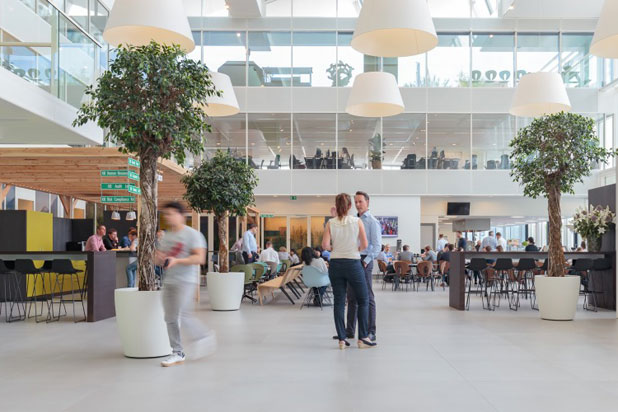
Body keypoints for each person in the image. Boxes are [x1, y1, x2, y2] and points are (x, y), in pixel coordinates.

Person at [156, 201, 213, 367]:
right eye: (166, 214)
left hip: (186, 281)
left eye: (171, 214)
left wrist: (177, 260)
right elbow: (160, 258)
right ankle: (177, 352)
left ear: (181, 215)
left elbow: (199, 258)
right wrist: (158, 258)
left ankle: (204, 336)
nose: (168, 217)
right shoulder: (167, 236)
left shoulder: (193, 235)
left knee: (183, 314)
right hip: (169, 281)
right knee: (170, 318)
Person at [322, 193, 375, 350]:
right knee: (363, 299)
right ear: (350, 206)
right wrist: (354, 249)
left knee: (339, 301)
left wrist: (335, 248)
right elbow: (365, 244)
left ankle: (342, 339)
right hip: (353, 263)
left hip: (336, 264)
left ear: (337, 206)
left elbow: (325, 245)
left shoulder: (330, 223)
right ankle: (363, 338)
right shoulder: (357, 221)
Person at [344, 191, 381, 342]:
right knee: (351, 297)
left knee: (367, 297)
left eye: (361, 201)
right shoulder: (352, 220)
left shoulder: (372, 222)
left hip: (365, 260)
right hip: (353, 259)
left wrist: (365, 262)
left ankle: (371, 331)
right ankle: (350, 331)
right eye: (356, 202)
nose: (358, 204)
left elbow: (377, 246)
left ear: (367, 202)